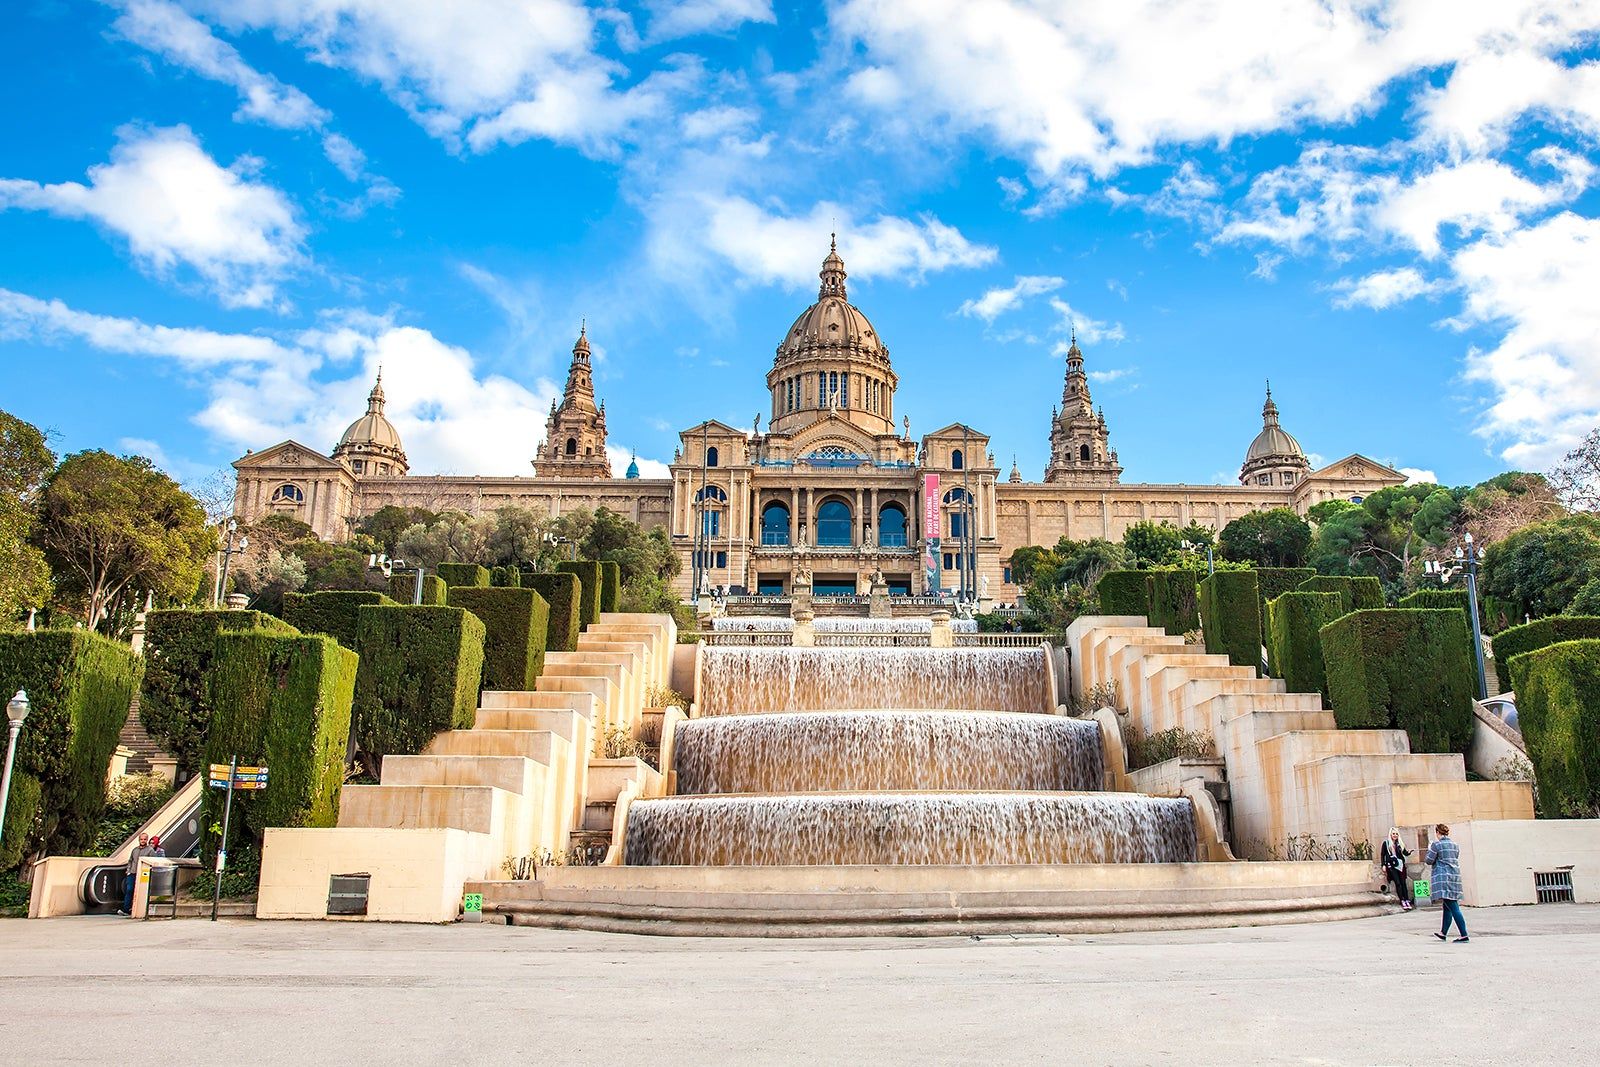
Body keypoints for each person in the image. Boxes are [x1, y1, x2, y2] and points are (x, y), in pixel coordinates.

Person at [1425, 823, 1468, 943]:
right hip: (1454, 876)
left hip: (1443, 877)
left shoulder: (1436, 845)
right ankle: (1443, 933)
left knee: (1453, 906)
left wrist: (1429, 850)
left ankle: (1464, 935)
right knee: (1447, 906)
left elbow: (1429, 860)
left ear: (1438, 832)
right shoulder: (1455, 845)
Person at [120, 832, 151, 916]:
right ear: (139, 840)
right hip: (132, 873)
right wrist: (128, 870)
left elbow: (152, 861)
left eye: (145, 839)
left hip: (143, 874)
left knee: (141, 892)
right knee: (129, 889)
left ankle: (138, 910)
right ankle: (126, 909)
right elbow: (130, 860)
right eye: (141, 839)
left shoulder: (150, 850)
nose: (143, 841)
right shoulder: (135, 850)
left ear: (147, 840)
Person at [1381, 828, 1412, 910]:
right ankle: (1402, 900)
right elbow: (1383, 854)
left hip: (1400, 865)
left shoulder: (1400, 843)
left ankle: (1406, 899)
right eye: (1393, 834)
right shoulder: (1386, 843)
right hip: (1391, 865)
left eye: (1396, 834)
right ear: (1390, 834)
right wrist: (1383, 865)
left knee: (1403, 883)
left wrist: (1409, 852)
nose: (1395, 835)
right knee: (1397, 883)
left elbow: (1404, 853)